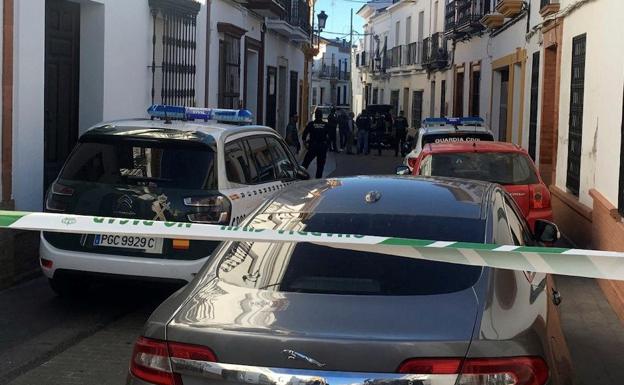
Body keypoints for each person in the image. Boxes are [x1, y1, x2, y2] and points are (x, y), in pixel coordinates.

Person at [302, 109, 331, 178]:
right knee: (320, 166)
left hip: (313, 146)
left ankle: (301, 177)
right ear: (321, 116)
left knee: (305, 164)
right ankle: (318, 180)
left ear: (315, 115)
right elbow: (330, 137)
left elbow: (304, 134)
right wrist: (327, 146)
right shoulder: (325, 125)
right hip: (322, 146)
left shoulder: (311, 124)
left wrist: (305, 143)